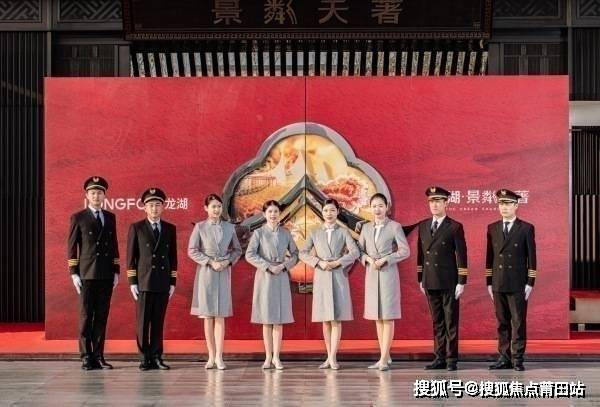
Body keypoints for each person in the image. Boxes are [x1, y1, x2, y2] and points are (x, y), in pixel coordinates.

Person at [299, 198, 359, 370]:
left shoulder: (343, 232)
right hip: (322, 276)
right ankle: (328, 356)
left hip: (338, 275)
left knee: (336, 318)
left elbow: (355, 252)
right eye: (326, 210)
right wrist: (319, 262)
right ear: (322, 212)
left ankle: (333, 357)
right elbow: (302, 253)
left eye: (332, 210)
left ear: (337, 212)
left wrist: (339, 262)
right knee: (325, 319)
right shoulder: (314, 232)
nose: (329, 213)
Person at [67, 176, 119, 370]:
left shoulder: (110, 217)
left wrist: (116, 270)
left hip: (106, 274)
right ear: (87, 196)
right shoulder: (78, 217)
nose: (96, 196)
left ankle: (99, 355)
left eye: (99, 193)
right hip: (87, 274)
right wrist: (74, 273)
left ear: (104, 196)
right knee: (86, 316)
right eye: (93, 193)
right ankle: (86, 356)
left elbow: (113, 245)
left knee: (102, 316)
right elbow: (72, 247)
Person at [188, 193, 242, 370]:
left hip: (223, 273)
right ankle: (210, 356)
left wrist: (227, 262)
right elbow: (192, 250)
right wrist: (210, 262)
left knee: (220, 316)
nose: (216, 209)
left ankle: (219, 356)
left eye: (219, 206)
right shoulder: (200, 227)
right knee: (208, 316)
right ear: (206, 208)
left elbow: (237, 250)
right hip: (206, 274)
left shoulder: (229, 227)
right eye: (213, 207)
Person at [417, 186, 468, 371]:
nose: (434, 205)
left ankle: (451, 358)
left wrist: (461, 281)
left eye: (438, 201)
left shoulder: (454, 226)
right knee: (437, 321)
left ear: (446, 203)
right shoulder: (423, 225)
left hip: (449, 281)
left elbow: (461, 255)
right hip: (430, 279)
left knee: (450, 321)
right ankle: (439, 357)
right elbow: (421, 254)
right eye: (431, 201)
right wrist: (420, 278)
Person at [126, 188, 177, 371]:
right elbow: (131, 257)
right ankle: (144, 358)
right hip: (144, 282)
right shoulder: (137, 228)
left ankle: (157, 356)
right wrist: (133, 282)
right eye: (151, 205)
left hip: (162, 281)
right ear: (145, 208)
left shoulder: (170, 228)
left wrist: (172, 282)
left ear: (163, 207)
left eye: (157, 205)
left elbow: (173, 257)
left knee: (158, 322)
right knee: (143, 322)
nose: (154, 208)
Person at [358, 193, 410, 371]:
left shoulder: (395, 226)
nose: (377, 209)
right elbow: (359, 250)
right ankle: (385, 356)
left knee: (387, 316)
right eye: (374, 206)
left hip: (388, 274)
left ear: (387, 207)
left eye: (380, 206)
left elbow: (405, 251)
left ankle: (383, 358)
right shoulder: (366, 228)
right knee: (377, 317)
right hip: (372, 274)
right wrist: (367, 259)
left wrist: (386, 259)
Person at [486, 189, 536, 372]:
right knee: (502, 322)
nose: (504, 207)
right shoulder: (492, 228)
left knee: (518, 322)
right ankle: (504, 357)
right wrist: (489, 281)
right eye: (501, 204)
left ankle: (517, 358)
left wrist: (530, 282)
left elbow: (532, 257)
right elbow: (489, 257)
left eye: (507, 204)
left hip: (517, 283)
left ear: (516, 206)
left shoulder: (526, 228)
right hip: (498, 282)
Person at [245, 200, 299, 370]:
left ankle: (277, 357)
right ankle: (268, 357)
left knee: (279, 319)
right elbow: (249, 254)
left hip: (281, 276)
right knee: (267, 319)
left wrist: (283, 266)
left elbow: (295, 254)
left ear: (279, 214)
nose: (273, 214)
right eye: (270, 212)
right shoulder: (259, 233)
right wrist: (268, 266)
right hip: (265, 277)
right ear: (264, 214)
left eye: (276, 211)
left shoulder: (285, 233)